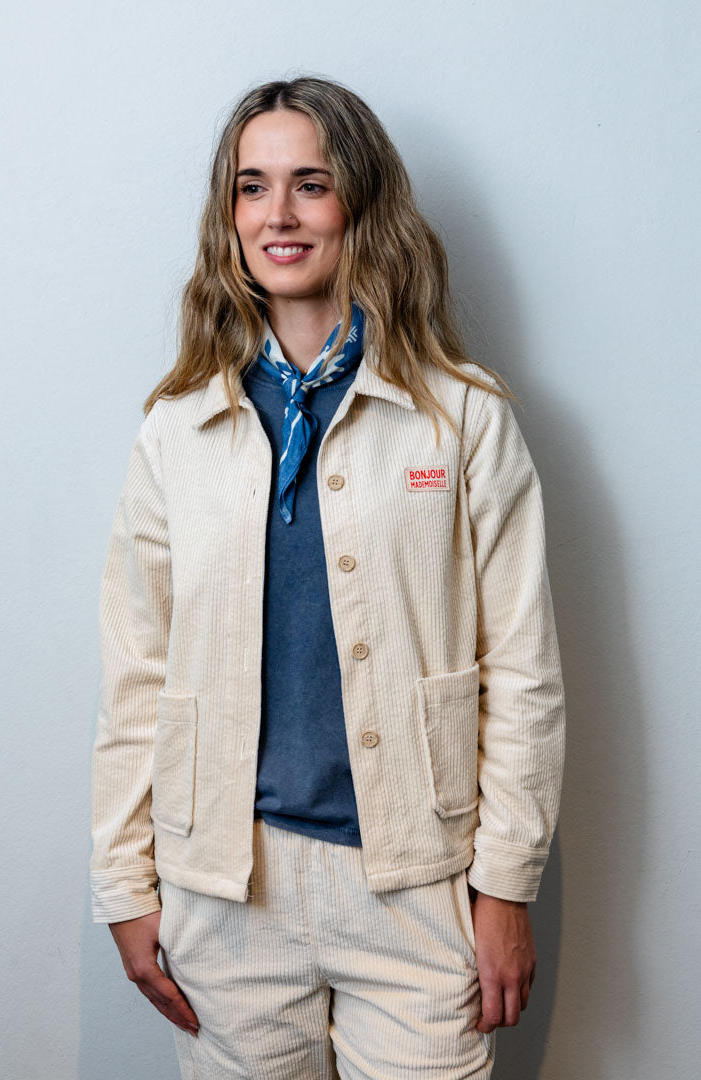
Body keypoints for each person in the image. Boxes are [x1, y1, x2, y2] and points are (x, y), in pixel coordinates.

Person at [90, 74, 566, 1080]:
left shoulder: (463, 417)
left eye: (310, 184)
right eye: (252, 186)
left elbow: (523, 672)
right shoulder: (176, 429)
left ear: (361, 204)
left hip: (417, 887)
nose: (279, 214)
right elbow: (136, 674)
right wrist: (124, 886)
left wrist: (505, 888)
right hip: (226, 891)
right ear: (229, 215)